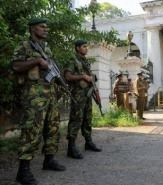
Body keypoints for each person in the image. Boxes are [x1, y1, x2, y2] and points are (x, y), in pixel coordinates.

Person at [12, 18, 66, 185]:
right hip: (33, 95)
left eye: (46, 27)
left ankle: (49, 160)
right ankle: (23, 170)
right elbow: (16, 66)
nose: (45, 29)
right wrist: (36, 61)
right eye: (42, 27)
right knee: (31, 130)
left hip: (50, 94)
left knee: (53, 127)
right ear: (32, 28)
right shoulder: (24, 45)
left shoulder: (46, 49)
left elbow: (50, 68)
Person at [64, 39, 101, 160]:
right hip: (78, 95)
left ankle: (88, 142)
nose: (86, 48)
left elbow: (91, 79)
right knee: (76, 119)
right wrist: (83, 76)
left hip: (87, 94)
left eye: (87, 46)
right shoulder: (72, 60)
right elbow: (68, 76)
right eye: (84, 46)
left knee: (87, 118)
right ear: (77, 48)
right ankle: (71, 147)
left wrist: (96, 91)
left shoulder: (85, 62)